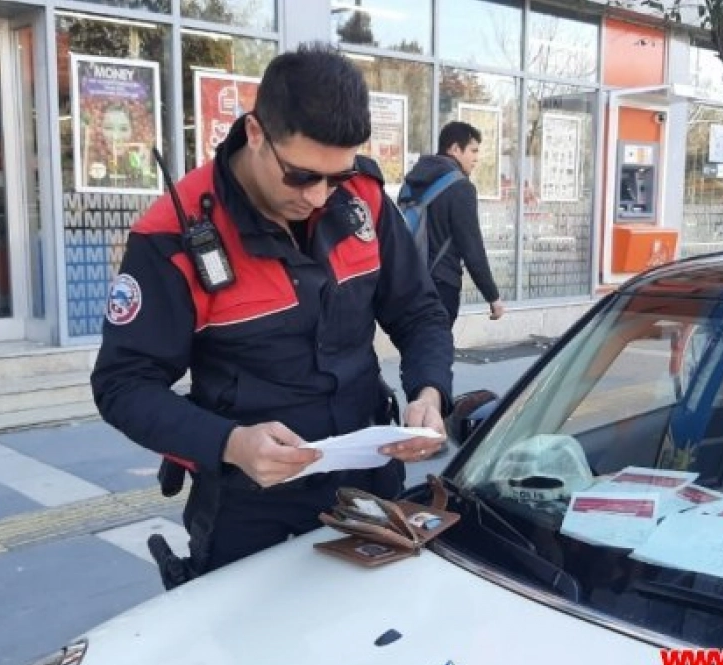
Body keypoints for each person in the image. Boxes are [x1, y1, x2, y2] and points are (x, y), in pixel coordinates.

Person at [91, 43, 453, 584]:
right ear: (256, 132)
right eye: (302, 176)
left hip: (368, 480)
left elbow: (419, 311)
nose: (319, 197)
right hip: (248, 500)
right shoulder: (172, 235)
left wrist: (429, 392)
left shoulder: (363, 199)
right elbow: (122, 385)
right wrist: (229, 444)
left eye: (336, 177)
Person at [400, 121, 504, 325]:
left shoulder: (412, 180)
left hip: (408, 281)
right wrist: (493, 296)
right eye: (473, 151)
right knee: (437, 342)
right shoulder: (460, 187)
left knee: (413, 342)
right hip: (440, 285)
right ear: (455, 149)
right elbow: (472, 247)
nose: (476, 158)